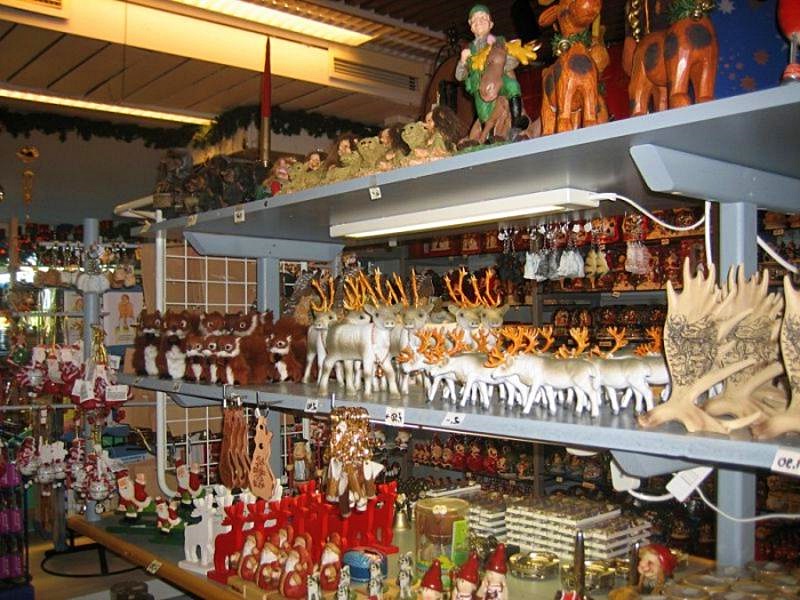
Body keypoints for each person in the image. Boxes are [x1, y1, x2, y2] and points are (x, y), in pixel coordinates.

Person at [455, 4, 529, 132]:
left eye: (483, 18)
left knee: (512, 86)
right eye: (475, 19)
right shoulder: (469, 50)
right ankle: (488, 136)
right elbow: (459, 76)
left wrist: (504, 59)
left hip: (498, 79)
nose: (479, 22)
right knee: (484, 114)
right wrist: (462, 61)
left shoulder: (498, 41)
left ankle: (517, 120)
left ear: (491, 24)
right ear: (471, 26)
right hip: (479, 86)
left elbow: (512, 62)